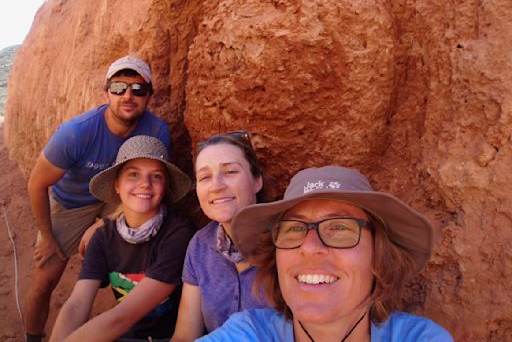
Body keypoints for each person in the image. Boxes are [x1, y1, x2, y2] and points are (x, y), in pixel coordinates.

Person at [199, 166, 454, 341]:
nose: (309, 247)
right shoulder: (250, 332)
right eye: (294, 229)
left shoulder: (420, 337)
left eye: (340, 228)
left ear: (379, 256)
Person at [24, 56, 171, 342]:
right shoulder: (76, 133)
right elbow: (37, 184)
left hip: (118, 199)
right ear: (106, 93)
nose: (128, 96)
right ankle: (32, 337)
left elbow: (153, 185)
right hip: (72, 203)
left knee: (143, 235)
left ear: (149, 96)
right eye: (119, 87)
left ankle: (136, 320)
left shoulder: (156, 131)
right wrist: (47, 235)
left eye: (138, 89)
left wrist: (102, 224)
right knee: (44, 280)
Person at [49, 135, 195, 342]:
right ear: (117, 185)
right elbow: (78, 303)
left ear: (165, 186)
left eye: (156, 176)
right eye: (133, 175)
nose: (145, 184)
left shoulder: (178, 233)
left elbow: (123, 316)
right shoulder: (103, 237)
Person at [170, 132, 269, 341]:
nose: (216, 185)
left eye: (231, 171)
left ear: (257, 181)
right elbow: (186, 334)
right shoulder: (199, 246)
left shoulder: (288, 245)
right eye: (205, 177)